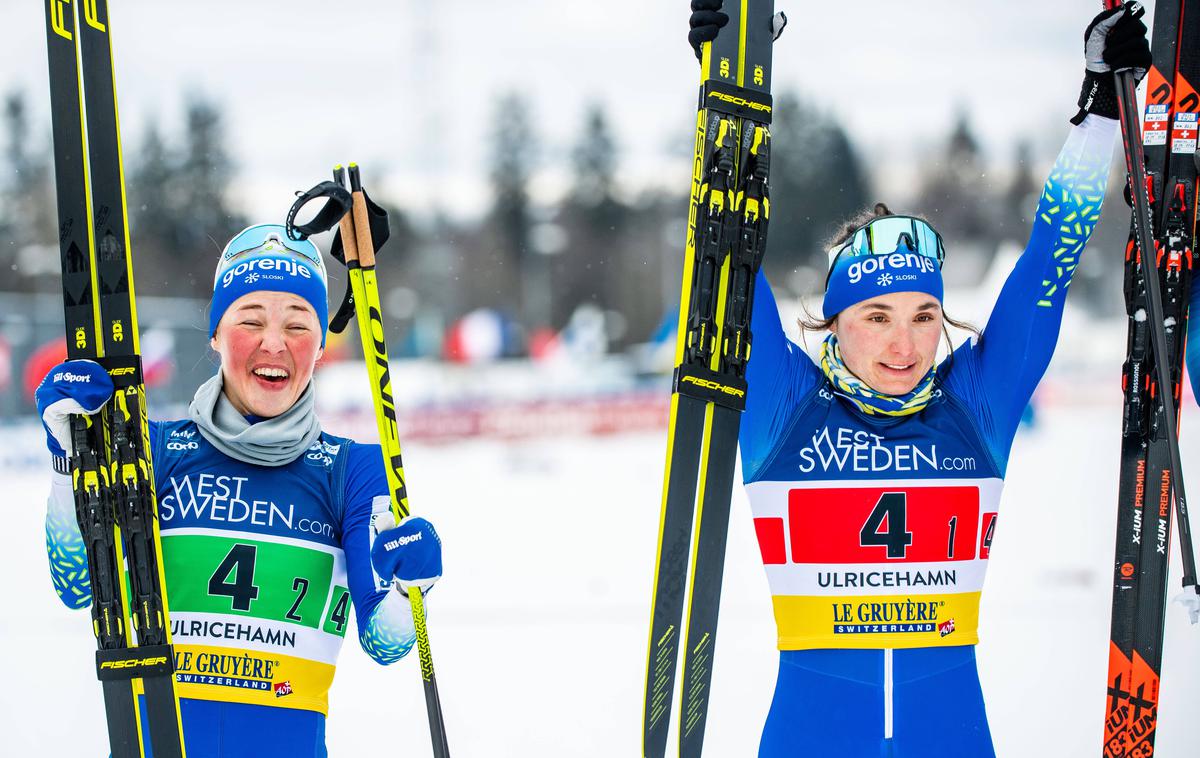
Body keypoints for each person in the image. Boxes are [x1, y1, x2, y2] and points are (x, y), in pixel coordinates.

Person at [688, 2, 1151, 755]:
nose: (905, 344)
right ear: (833, 322)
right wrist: (723, 88)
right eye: (876, 316)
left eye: (924, 314)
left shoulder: (976, 405)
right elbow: (724, 263)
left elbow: (1048, 265)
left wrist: (1101, 107)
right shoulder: (784, 409)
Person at [36, 224, 443, 757]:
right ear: (215, 334)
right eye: (250, 320)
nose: (273, 343)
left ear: (320, 344)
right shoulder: (151, 449)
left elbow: (386, 643)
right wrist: (72, 461)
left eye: (298, 325)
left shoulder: (353, 470)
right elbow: (78, 586)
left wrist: (412, 589)